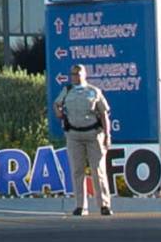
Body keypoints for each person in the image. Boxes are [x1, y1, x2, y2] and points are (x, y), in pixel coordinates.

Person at [53, 64, 113, 216]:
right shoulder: (67, 91)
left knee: (98, 170)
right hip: (74, 135)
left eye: (78, 74)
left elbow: (104, 114)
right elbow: (56, 104)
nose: (76, 76)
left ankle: (104, 205)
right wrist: (58, 113)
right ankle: (80, 205)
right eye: (73, 74)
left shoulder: (93, 91)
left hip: (93, 134)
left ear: (84, 75)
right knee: (77, 170)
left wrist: (107, 136)